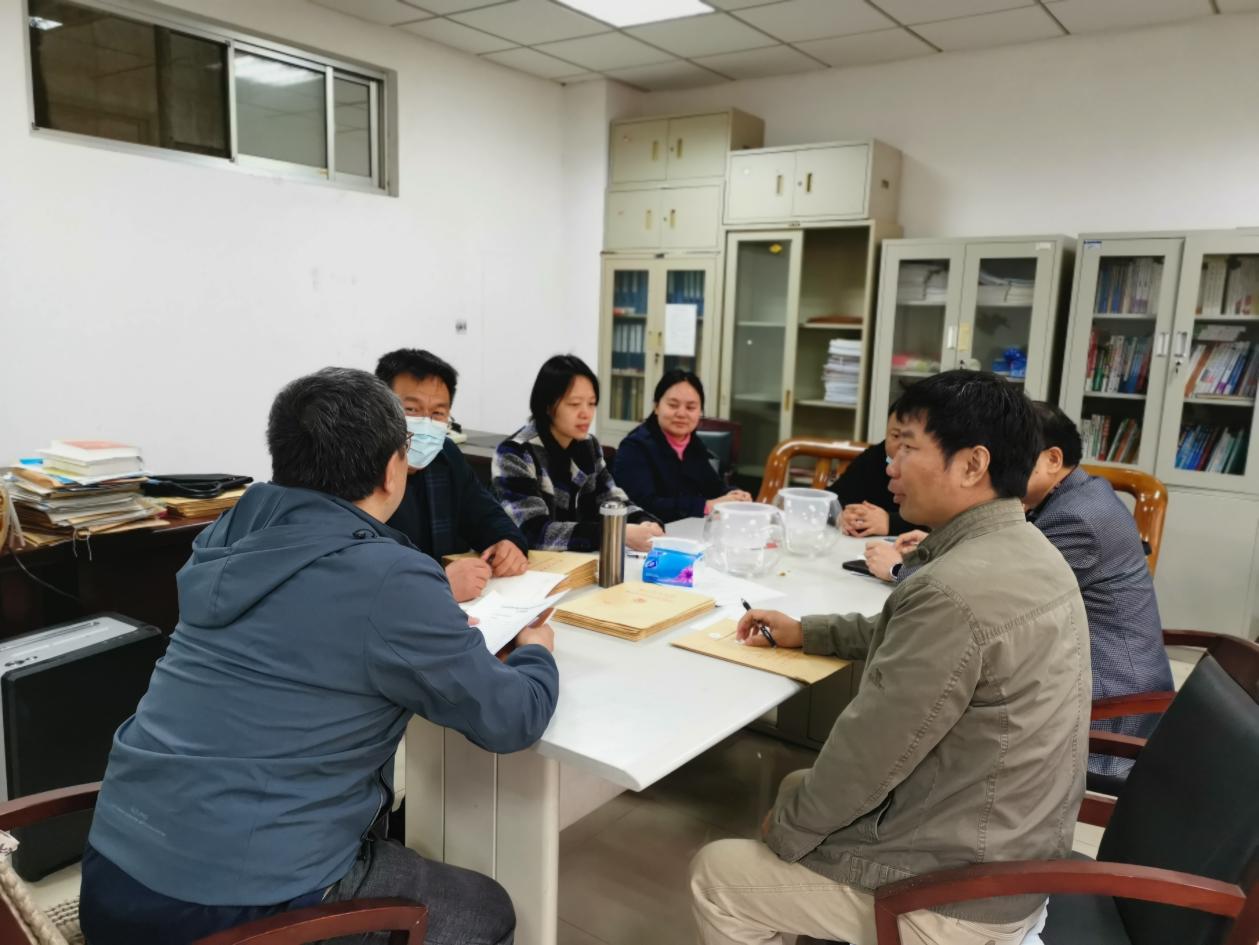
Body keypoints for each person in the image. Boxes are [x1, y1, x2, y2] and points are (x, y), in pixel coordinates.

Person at [80, 367, 559, 945]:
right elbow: (512, 719)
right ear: (393, 468)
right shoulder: (389, 576)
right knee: (487, 911)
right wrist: (536, 653)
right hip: (231, 908)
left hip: (112, 877)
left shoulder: (227, 535)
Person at [692, 370, 1089, 945]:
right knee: (802, 787)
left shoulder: (951, 589)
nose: (890, 467)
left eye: (907, 448)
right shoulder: (1030, 550)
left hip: (960, 894)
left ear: (972, 464)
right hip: (1013, 847)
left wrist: (787, 831)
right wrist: (809, 631)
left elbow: (869, 757)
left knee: (721, 872)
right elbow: (912, 634)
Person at [1023, 402, 1173, 786]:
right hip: (1100, 681)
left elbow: (1003, 586)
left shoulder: (1078, 518)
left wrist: (899, 567)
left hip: (1111, 714)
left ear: (1053, 459)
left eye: (1010, 454)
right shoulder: (1080, 492)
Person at [376, 348, 528, 602]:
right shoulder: (358, 471)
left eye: (437, 413)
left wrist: (508, 543)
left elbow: (487, 515)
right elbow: (357, 574)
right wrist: (437, 584)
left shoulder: (445, 456)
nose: (425, 425)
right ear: (379, 407)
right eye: (411, 409)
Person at [494, 355, 663, 552]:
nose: (586, 413)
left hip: (580, 561)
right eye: (574, 404)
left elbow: (611, 499)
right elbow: (533, 532)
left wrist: (643, 521)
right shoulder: (515, 453)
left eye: (591, 403)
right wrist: (615, 533)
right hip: (533, 565)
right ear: (547, 405)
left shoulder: (588, 445)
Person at [612, 369, 751, 523]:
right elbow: (642, 505)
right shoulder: (634, 447)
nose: (681, 414)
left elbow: (714, 488)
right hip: (649, 533)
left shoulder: (693, 444)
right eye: (673, 405)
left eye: (690, 408)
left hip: (688, 530)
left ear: (700, 412)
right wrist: (705, 506)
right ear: (656, 407)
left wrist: (734, 495)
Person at [829, 403, 922, 537]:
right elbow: (833, 499)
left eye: (909, 442)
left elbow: (940, 520)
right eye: (895, 436)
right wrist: (843, 515)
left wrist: (890, 522)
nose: (901, 447)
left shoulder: (934, 471)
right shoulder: (875, 456)